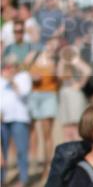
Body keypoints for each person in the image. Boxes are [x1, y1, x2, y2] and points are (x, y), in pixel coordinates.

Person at [25, 36, 60, 178]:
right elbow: (23, 67)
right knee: (32, 130)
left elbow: (59, 77)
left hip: (49, 95)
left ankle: (48, 165)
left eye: (55, 45)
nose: (52, 47)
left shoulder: (56, 60)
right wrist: (31, 74)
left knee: (47, 133)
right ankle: (33, 163)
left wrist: (53, 62)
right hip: (34, 94)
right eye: (51, 44)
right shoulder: (35, 55)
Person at [1, 58, 32, 187]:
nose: (9, 69)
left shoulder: (23, 77)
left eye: (11, 66)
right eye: (6, 67)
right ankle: (1, 182)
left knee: (21, 150)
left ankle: (23, 180)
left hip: (19, 119)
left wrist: (11, 80)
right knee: (2, 153)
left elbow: (24, 94)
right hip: (2, 121)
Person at [56, 43, 90, 143]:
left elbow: (87, 71)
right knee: (66, 126)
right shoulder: (63, 63)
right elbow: (59, 76)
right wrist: (63, 60)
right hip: (64, 94)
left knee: (76, 127)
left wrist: (80, 84)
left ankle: (78, 151)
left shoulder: (76, 61)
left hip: (75, 95)